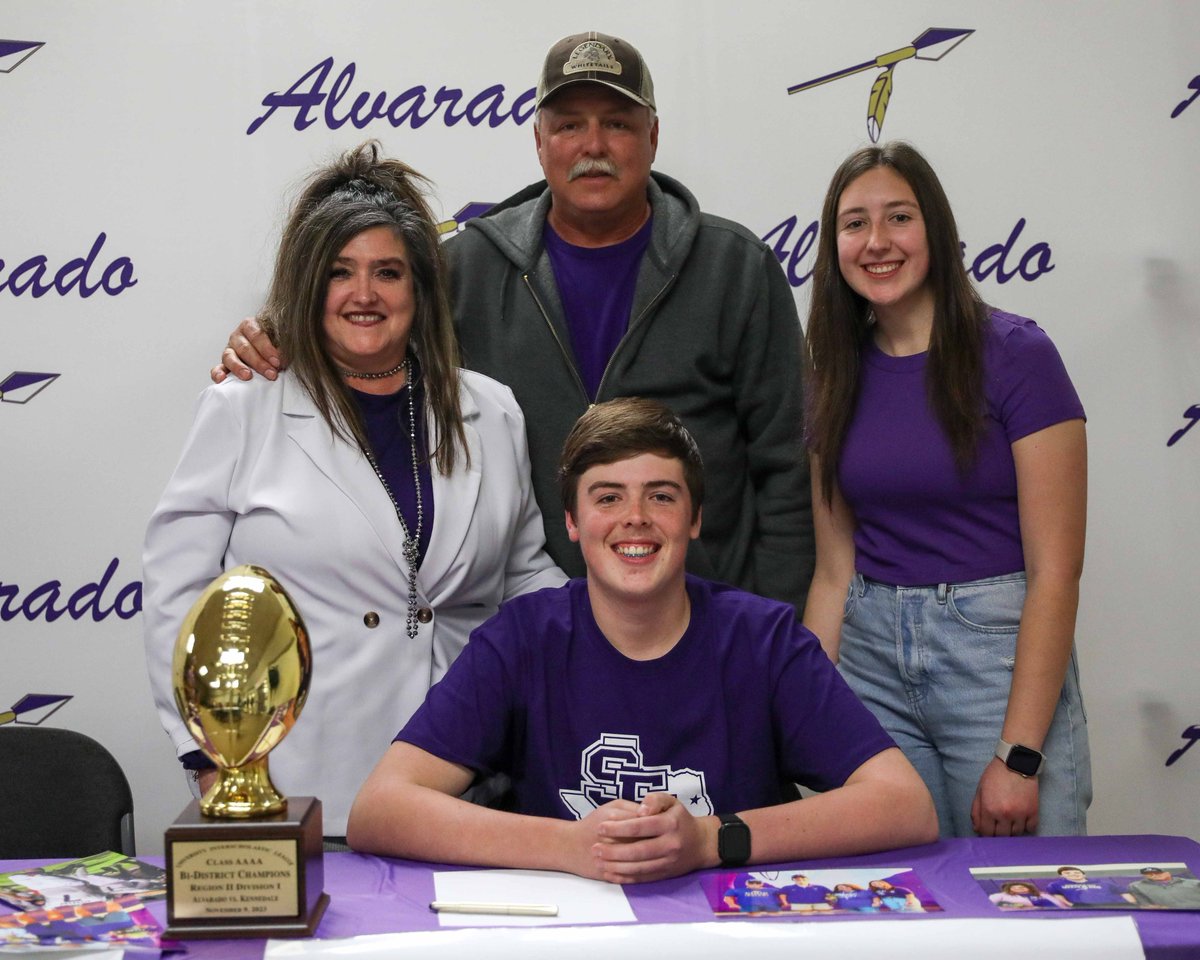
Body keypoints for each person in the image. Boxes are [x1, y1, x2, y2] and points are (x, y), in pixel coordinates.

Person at [211, 31, 813, 616]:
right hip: (528, 635)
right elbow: (364, 323)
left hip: (703, 628)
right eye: (569, 124)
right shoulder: (467, 266)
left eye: (618, 123)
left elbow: (787, 467)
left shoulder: (737, 269)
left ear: (653, 137)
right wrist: (278, 330)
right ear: (539, 141)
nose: (593, 144)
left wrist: (773, 630)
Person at [143, 142, 565, 839]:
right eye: (339, 273)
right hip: (300, 790)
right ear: (310, 286)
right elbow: (175, 597)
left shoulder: (491, 411)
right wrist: (211, 760)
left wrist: (618, 640)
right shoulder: (247, 404)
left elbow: (525, 577)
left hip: (466, 782)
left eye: (387, 272)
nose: (363, 294)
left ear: (421, 288)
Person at [346, 398, 936, 883]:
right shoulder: (522, 638)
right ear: (572, 523)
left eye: (661, 495)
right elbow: (380, 810)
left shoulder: (763, 640)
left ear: (695, 518)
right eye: (607, 497)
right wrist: (572, 846)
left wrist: (711, 839)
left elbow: (904, 804)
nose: (636, 518)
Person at [801, 141, 1091, 838]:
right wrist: (803, 712)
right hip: (869, 660)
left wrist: (1019, 756)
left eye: (898, 217)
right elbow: (834, 571)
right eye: (854, 224)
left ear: (935, 227)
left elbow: (1056, 572)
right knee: (897, 909)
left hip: (993, 660)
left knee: (1026, 908)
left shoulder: (1019, 355)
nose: (876, 242)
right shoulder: (831, 371)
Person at [1045, 867, 1136, 907]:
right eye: (1068, 873)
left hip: (1114, 906)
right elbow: (1057, 898)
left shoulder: (1103, 882)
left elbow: (1123, 892)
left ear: (1083, 874)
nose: (1073, 874)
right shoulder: (1056, 885)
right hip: (1083, 908)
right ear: (1062, 876)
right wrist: (1072, 906)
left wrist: (1132, 905)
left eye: (1077, 872)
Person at [1127, 867, 1200, 908]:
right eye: (1150, 874)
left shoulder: (1194, 882)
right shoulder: (1136, 886)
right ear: (1145, 876)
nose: (1154, 875)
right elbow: (1145, 905)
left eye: (1157, 873)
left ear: (1167, 873)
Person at [988, 880, 1064, 910]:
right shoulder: (1002, 895)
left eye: (1022, 887)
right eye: (1015, 888)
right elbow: (987, 903)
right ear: (1009, 889)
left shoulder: (1043, 895)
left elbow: (1059, 904)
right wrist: (1015, 905)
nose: (1019, 889)